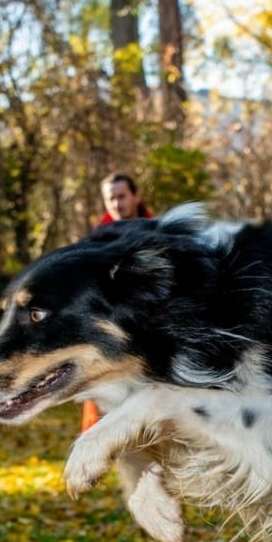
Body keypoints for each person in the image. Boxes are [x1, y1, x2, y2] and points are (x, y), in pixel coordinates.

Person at [83, 172, 155, 430]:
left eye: (122, 196)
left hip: (153, 338)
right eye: (110, 199)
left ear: (135, 195)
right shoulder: (95, 244)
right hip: (112, 339)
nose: (116, 204)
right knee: (103, 418)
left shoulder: (160, 233)